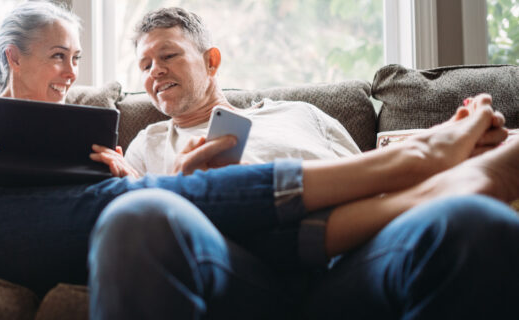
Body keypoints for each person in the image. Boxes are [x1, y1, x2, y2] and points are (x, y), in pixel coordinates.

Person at [87, 7, 519, 319]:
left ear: (211, 60)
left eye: (167, 55)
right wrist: (129, 183)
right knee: (137, 213)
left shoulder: (302, 115)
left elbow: (374, 190)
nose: (154, 71)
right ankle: (430, 167)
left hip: (348, 268)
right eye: (144, 64)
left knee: (472, 219)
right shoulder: (148, 141)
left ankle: (436, 178)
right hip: (238, 271)